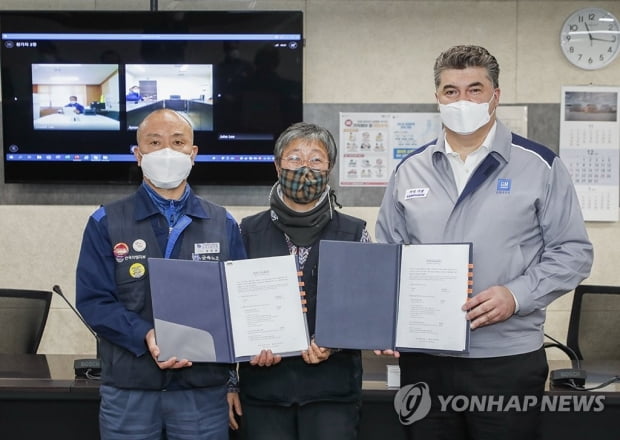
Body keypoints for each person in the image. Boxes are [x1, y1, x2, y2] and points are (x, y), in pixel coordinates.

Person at [375, 45, 593, 440]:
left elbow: (573, 253)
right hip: (425, 359)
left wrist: (516, 294)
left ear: (496, 95)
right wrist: (382, 323)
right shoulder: (409, 171)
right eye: (451, 91)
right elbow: (388, 259)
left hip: (506, 359)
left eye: (475, 89)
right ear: (437, 97)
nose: (463, 100)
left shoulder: (539, 166)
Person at [76, 108, 246, 440]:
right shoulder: (105, 222)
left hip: (201, 392)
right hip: (130, 390)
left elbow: (238, 305)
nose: (167, 151)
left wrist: (232, 379)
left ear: (193, 154)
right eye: (154, 142)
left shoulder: (223, 224)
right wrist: (145, 334)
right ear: (138, 155)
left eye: (178, 142)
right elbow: (94, 301)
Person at [231, 122, 371, 440]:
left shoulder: (354, 232)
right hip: (264, 394)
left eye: (316, 159)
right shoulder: (246, 232)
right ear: (277, 164)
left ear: (330, 169)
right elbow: (230, 311)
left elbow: (367, 306)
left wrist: (333, 343)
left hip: (332, 395)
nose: (305, 167)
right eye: (294, 158)